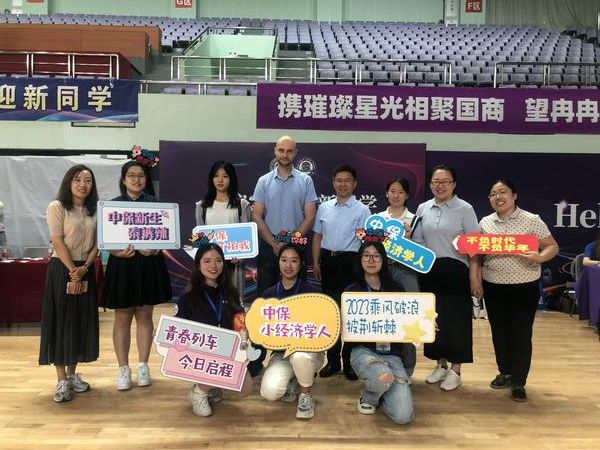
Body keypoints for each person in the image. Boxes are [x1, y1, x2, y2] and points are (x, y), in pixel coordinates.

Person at [472, 179, 558, 402]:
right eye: (493, 194)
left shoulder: (531, 220)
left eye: (502, 192)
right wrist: (476, 280)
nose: (498, 197)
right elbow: (477, 254)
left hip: (524, 286)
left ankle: (519, 381)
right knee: (499, 332)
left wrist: (539, 257)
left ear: (514, 195)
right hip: (493, 285)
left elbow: (552, 246)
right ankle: (505, 372)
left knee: (521, 333)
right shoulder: (485, 222)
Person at [100, 161, 172, 391]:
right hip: (122, 264)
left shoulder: (156, 204)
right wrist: (115, 251)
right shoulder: (112, 206)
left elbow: (166, 236)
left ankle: (143, 365)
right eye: (131, 175)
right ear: (123, 180)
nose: (136, 180)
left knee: (145, 316)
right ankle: (123, 368)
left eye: (141, 176)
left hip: (148, 264)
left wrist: (155, 249)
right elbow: (105, 240)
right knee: (122, 317)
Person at [250, 135, 317, 375]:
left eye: (289, 151)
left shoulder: (306, 181)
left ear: (295, 153)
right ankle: (257, 358)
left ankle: (300, 355)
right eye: (281, 150)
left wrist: (289, 243)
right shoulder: (263, 181)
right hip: (270, 249)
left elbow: (310, 215)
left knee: (299, 302)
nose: (285, 154)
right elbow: (257, 215)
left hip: (296, 249)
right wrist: (274, 243)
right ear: (275, 151)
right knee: (263, 304)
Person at [411, 164, 480, 391]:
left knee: (457, 320)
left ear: (454, 184)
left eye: (445, 181)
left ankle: (455, 369)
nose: (440, 186)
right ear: (430, 184)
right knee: (434, 319)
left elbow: (474, 247)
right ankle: (440, 364)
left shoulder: (465, 209)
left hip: (456, 270)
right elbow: (418, 240)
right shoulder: (423, 208)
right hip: (429, 269)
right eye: (436, 181)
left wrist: (474, 277)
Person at [38, 165, 99, 403]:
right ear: (68, 182)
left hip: (86, 269)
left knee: (80, 321)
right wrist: (74, 270)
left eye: (88, 180)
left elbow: (98, 244)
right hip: (62, 268)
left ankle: (73, 375)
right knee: (61, 321)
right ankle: (61, 379)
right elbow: (57, 240)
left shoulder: (95, 210)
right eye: (78, 179)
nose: (83, 184)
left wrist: (85, 268)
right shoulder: (57, 207)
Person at [175, 243, 253, 417]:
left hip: (225, 350)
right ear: (198, 265)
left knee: (245, 389)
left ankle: (212, 385)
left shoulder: (231, 292)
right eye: (207, 261)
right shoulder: (188, 296)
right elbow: (176, 327)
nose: (213, 266)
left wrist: (243, 338)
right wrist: (161, 331)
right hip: (198, 354)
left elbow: (240, 322)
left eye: (218, 260)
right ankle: (199, 392)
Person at [312, 164, 370, 380]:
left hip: (351, 264)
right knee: (331, 314)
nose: (343, 184)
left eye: (347, 180)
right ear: (333, 182)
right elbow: (317, 236)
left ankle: (349, 362)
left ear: (354, 184)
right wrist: (316, 262)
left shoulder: (362, 210)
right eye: (339, 180)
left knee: (351, 314)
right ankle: (333, 361)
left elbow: (365, 242)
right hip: (328, 262)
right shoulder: (324, 207)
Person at [347, 241, 414, 424]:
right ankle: (369, 397)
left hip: (393, 355)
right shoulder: (352, 292)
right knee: (381, 377)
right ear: (360, 259)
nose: (371, 260)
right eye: (366, 255)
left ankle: (383, 392)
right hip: (364, 352)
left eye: (376, 256)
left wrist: (425, 325)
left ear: (383, 260)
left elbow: (408, 320)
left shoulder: (397, 289)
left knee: (403, 417)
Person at [260, 244, 324, 419]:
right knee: (270, 392)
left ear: (301, 264)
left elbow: (322, 326)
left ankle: (306, 395)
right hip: (282, 354)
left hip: (309, 352)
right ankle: (295, 379)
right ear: (278, 263)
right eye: (284, 260)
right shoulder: (269, 294)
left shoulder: (312, 292)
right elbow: (262, 328)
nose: (288, 265)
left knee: (300, 356)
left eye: (294, 261)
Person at [195, 161, 252, 303]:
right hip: (210, 264)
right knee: (210, 303)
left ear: (231, 179)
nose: (220, 180)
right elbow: (200, 238)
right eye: (216, 176)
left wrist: (241, 257)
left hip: (233, 264)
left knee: (233, 302)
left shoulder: (242, 204)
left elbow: (246, 236)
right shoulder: (202, 206)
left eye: (225, 176)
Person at [378, 178, 420, 293]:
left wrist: (408, 240)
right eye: (392, 191)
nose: (396, 196)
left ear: (406, 196)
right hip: (382, 267)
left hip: (406, 269)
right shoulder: (378, 219)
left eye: (401, 192)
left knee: (411, 300)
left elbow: (421, 250)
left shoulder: (414, 219)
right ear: (387, 193)